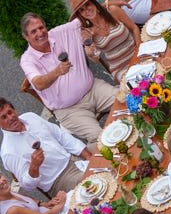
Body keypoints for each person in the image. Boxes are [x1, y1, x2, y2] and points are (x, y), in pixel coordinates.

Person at [19, 14, 115, 144]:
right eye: (33, 31)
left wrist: (86, 33)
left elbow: (84, 15)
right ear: (26, 37)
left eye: (41, 27)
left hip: (93, 89)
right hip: (69, 110)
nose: (40, 33)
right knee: (100, 138)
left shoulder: (60, 32)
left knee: (127, 100)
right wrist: (57, 72)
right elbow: (38, 84)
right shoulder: (27, 60)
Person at [0, 98, 90, 196]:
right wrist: (34, 167)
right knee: (95, 179)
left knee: (104, 154)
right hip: (60, 180)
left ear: (14, 110)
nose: (10, 117)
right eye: (4, 117)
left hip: (73, 159)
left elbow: (60, 135)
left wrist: (87, 155)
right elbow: (27, 186)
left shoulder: (30, 117)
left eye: (10, 112)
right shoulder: (8, 151)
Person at [68, 0, 139, 82]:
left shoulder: (112, 11)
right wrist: (90, 53)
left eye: (88, 5)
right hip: (119, 68)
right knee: (136, 84)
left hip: (136, 52)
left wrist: (139, 47)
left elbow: (134, 28)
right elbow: (95, 58)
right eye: (82, 10)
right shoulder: (87, 32)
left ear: (94, 4)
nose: (86, 10)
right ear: (81, 15)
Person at [0, 173, 66, 214]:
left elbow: (28, 199)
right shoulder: (12, 211)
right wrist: (60, 204)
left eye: (0, 176)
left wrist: (43, 204)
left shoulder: (7, 193)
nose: (1, 182)